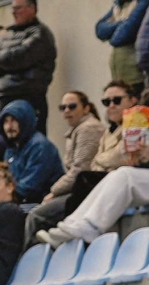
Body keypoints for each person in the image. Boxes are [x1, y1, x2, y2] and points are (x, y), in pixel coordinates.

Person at [38, 88, 149, 246]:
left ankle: (91, 226)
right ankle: (73, 223)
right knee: (118, 174)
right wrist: (141, 161)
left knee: (125, 176)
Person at [25, 88, 116, 245]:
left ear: (86, 108)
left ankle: (32, 258)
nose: (67, 111)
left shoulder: (88, 128)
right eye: (63, 107)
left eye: (72, 106)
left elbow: (80, 169)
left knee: (36, 216)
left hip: (87, 190)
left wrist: (53, 192)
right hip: (79, 188)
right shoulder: (77, 130)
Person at [0, 0, 58, 126]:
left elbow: (19, 58)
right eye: (13, 8)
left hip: (30, 99)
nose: (14, 12)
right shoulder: (9, 35)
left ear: (32, 8)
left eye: (18, 8)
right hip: (5, 99)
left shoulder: (40, 34)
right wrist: (4, 63)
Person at [95, 0, 149, 94]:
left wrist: (116, 26)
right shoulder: (119, 2)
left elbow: (123, 35)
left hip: (138, 78)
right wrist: (123, 22)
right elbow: (99, 29)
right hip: (120, 80)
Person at [0, 101, 63, 204]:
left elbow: (30, 185)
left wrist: (5, 197)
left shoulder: (40, 146)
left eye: (14, 120)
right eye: (5, 121)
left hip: (44, 200)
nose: (9, 127)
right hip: (20, 199)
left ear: (25, 121)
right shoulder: (12, 148)